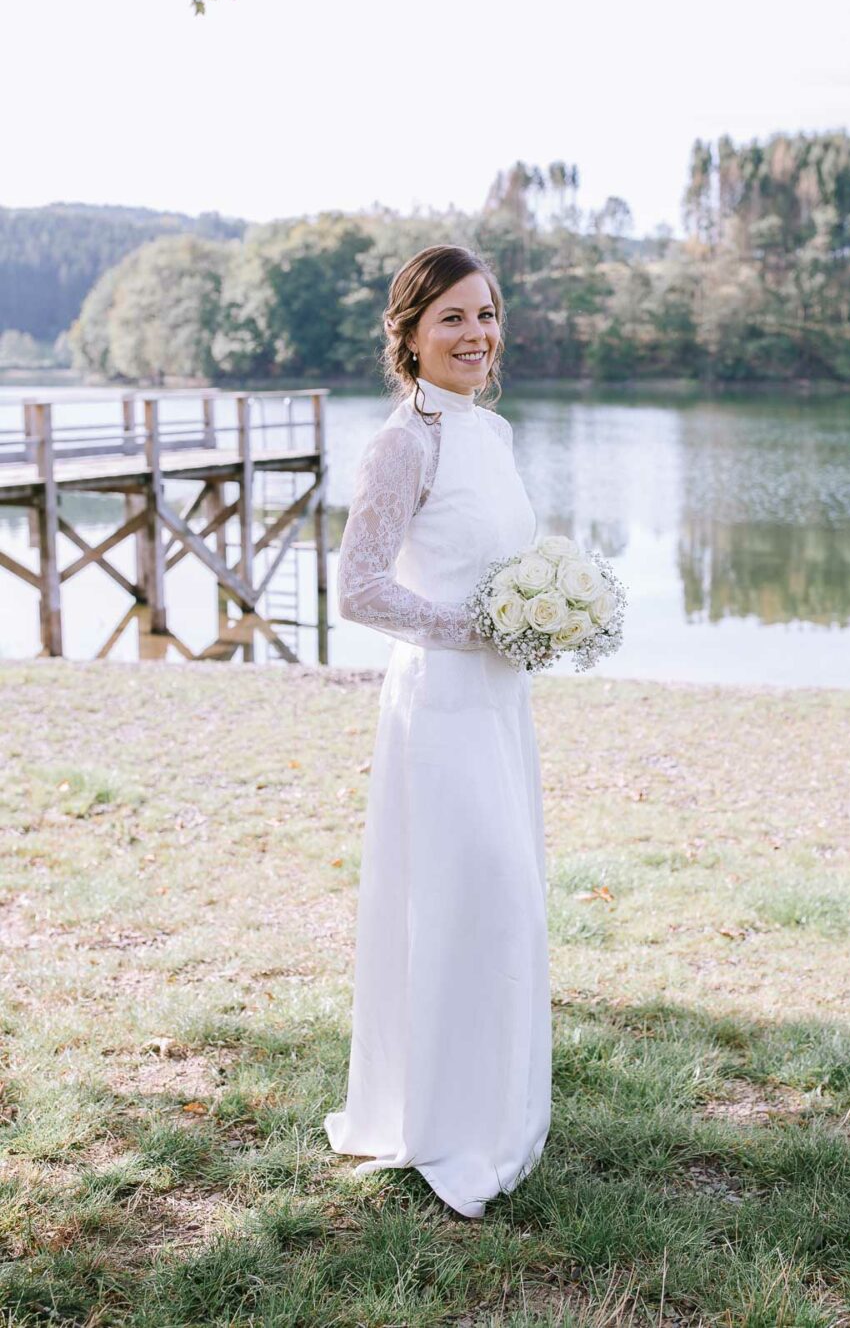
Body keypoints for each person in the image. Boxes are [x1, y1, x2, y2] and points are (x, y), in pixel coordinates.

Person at [323, 245, 551, 1220]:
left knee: (506, 903)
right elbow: (359, 587)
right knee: (466, 898)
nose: (475, 335)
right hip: (441, 706)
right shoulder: (402, 442)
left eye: (487, 315)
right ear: (409, 333)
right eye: (452, 318)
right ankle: (444, 1123)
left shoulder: (489, 434)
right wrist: (475, 632)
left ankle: (496, 1110)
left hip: (500, 707)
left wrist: (549, 614)